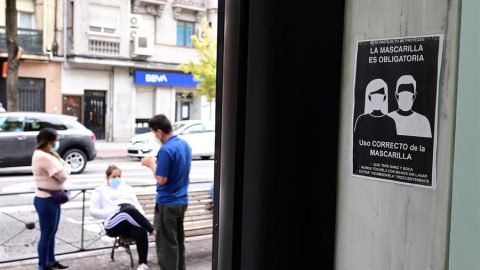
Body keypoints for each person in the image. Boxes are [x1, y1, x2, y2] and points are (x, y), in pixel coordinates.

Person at [141, 114, 192, 270]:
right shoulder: (184, 145)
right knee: (178, 241)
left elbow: (161, 179)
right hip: (182, 200)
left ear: (159, 132)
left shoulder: (166, 149)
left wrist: (151, 164)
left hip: (167, 202)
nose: (154, 137)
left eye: (153, 133)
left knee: (166, 246)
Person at [90, 165, 156, 270]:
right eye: (114, 176)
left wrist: (141, 218)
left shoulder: (127, 188)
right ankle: (153, 231)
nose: (117, 179)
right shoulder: (100, 191)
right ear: (107, 177)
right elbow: (93, 212)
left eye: (119, 176)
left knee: (141, 231)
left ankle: (142, 264)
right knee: (127, 210)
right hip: (113, 223)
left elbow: (137, 205)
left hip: (129, 221)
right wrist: (113, 210)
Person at [32, 127, 72, 270]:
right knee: (46, 234)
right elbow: (64, 175)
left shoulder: (49, 154)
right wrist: (65, 166)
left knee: (51, 233)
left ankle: (51, 261)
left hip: (51, 199)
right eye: (56, 140)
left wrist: (64, 166)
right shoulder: (44, 157)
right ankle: (42, 266)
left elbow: (64, 168)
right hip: (46, 199)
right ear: (49, 142)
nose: (57, 142)